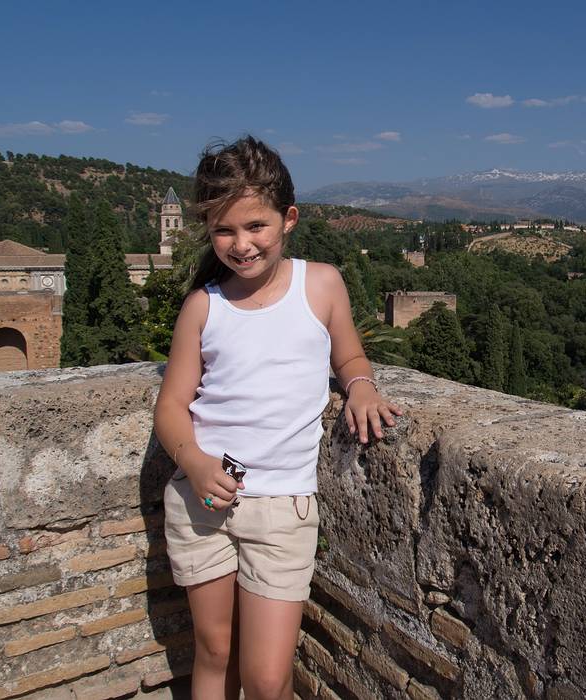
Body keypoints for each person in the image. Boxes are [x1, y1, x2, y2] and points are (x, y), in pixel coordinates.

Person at [153, 135, 401, 700]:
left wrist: (360, 386)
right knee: (214, 653)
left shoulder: (321, 284)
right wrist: (193, 464)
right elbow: (171, 407)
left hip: (283, 510)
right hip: (201, 503)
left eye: (255, 226)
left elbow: (349, 354)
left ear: (288, 219)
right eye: (224, 230)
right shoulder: (203, 306)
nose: (240, 245)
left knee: (267, 679)